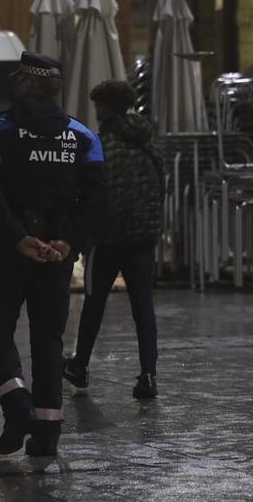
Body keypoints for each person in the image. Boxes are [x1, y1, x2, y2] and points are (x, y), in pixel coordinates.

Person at [0, 52, 106, 457]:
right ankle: (47, 432)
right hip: (56, 256)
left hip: (7, 252)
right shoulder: (84, 136)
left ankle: (17, 405)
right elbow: (98, 199)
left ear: (26, 85)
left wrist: (17, 237)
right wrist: (68, 242)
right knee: (48, 338)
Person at [64, 80, 161, 400]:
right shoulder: (148, 140)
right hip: (145, 235)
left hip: (109, 239)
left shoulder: (99, 145)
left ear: (104, 108)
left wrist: (86, 237)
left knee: (93, 303)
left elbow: (93, 196)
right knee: (143, 306)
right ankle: (148, 375)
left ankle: (80, 366)